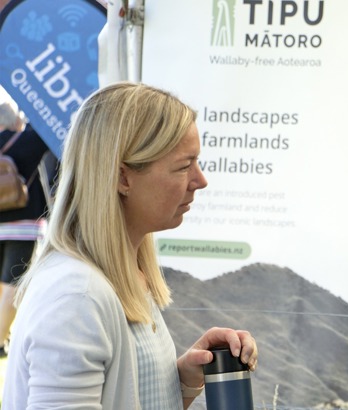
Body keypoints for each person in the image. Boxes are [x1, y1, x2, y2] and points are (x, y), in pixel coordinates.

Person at [3, 82, 259, 409]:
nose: (200, 180)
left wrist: (182, 378)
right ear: (123, 178)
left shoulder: (119, 276)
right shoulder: (76, 297)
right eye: (184, 166)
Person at [0, 96, 51, 357]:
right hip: (22, 226)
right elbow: (47, 127)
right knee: (12, 283)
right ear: (15, 120)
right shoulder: (24, 140)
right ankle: (0, 341)